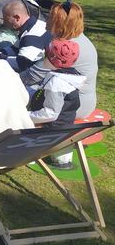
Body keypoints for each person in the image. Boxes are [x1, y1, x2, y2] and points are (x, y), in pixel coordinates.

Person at [19, 2, 98, 119]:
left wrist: (10, 79)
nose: (47, 19)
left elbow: (33, 75)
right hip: (74, 99)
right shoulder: (76, 38)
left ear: (59, 21)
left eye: (51, 17)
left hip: (70, 106)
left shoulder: (65, 49)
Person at [28, 39, 85, 168]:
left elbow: (50, 114)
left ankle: (30, 155)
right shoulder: (70, 76)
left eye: (46, 55)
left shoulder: (57, 83)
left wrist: (25, 115)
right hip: (65, 125)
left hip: (51, 130)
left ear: (53, 59)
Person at [0, 0, 49, 72]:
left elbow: (21, 64)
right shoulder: (35, 24)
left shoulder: (31, 36)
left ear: (17, 18)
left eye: (6, 20)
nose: (4, 23)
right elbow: (15, 49)